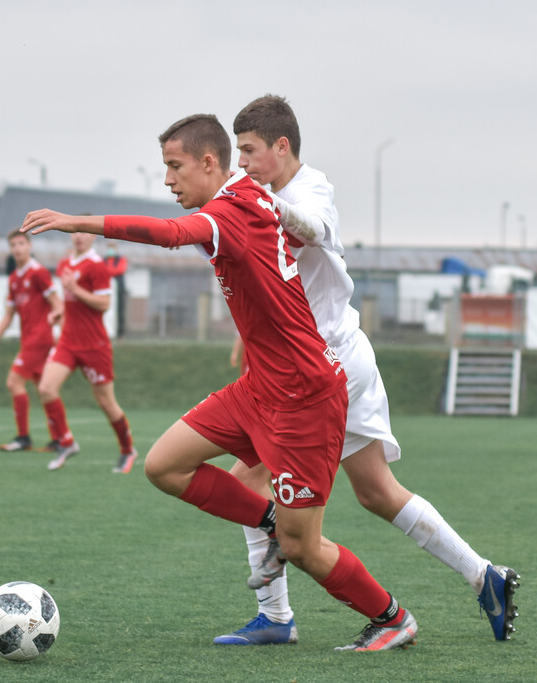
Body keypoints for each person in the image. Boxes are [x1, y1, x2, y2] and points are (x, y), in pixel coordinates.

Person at [22, 113, 419, 652]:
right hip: (261, 386)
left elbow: (169, 234)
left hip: (305, 394)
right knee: (163, 465)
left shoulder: (231, 210)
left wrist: (79, 221)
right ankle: (271, 521)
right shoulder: (248, 200)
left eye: (174, 166)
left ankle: (391, 616)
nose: (167, 180)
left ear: (210, 162)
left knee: (304, 549)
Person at [212, 94, 516, 646]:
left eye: (251, 151)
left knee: (250, 483)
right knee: (377, 492)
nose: (245, 163)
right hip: (313, 366)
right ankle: (484, 575)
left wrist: (266, 205)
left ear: (282, 147)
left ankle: (278, 617)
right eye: (240, 153)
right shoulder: (266, 194)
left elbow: (310, 228)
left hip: (325, 369)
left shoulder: (308, 189)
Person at [34, 229, 135, 473]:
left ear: (93, 237)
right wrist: (59, 312)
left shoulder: (97, 266)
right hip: (68, 341)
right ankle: (66, 443)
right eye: (75, 232)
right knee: (46, 388)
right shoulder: (64, 265)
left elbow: (104, 304)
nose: (79, 236)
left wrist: (75, 289)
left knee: (106, 403)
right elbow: (70, 304)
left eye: (84, 233)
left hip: (94, 345)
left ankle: (127, 449)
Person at [0, 229, 67, 452]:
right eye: (14, 245)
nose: (18, 249)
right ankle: (60, 438)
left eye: (21, 244)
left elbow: (57, 303)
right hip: (28, 340)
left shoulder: (38, 273)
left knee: (14, 382)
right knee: (45, 390)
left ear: (29, 246)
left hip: (39, 340)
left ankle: (23, 438)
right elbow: (9, 315)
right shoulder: (13, 279)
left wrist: (59, 325)